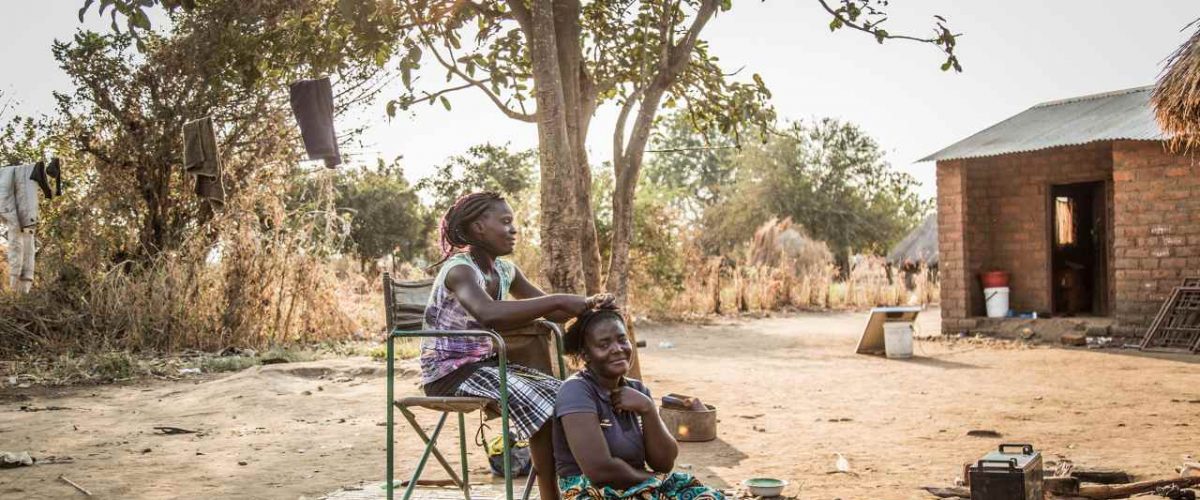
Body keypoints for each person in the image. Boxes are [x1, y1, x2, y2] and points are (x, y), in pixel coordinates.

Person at [420, 191, 611, 500]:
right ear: (479, 227)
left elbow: (553, 313)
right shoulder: (460, 270)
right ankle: (551, 494)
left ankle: (569, 486)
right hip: (450, 375)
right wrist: (561, 298)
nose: (514, 229)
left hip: (486, 368)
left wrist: (591, 306)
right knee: (544, 404)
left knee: (567, 395)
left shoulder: (506, 271)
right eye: (505, 222)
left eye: (513, 222)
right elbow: (488, 313)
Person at [553, 308, 725, 500]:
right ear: (586, 355)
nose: (618, 348)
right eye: (604, 344)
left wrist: (648, 409)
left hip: (638, 487)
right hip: (591, 491)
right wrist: (652, 479)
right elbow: (599, 470)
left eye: (622, 340)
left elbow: (664, 462)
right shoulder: (576, 391)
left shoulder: (637, 391)